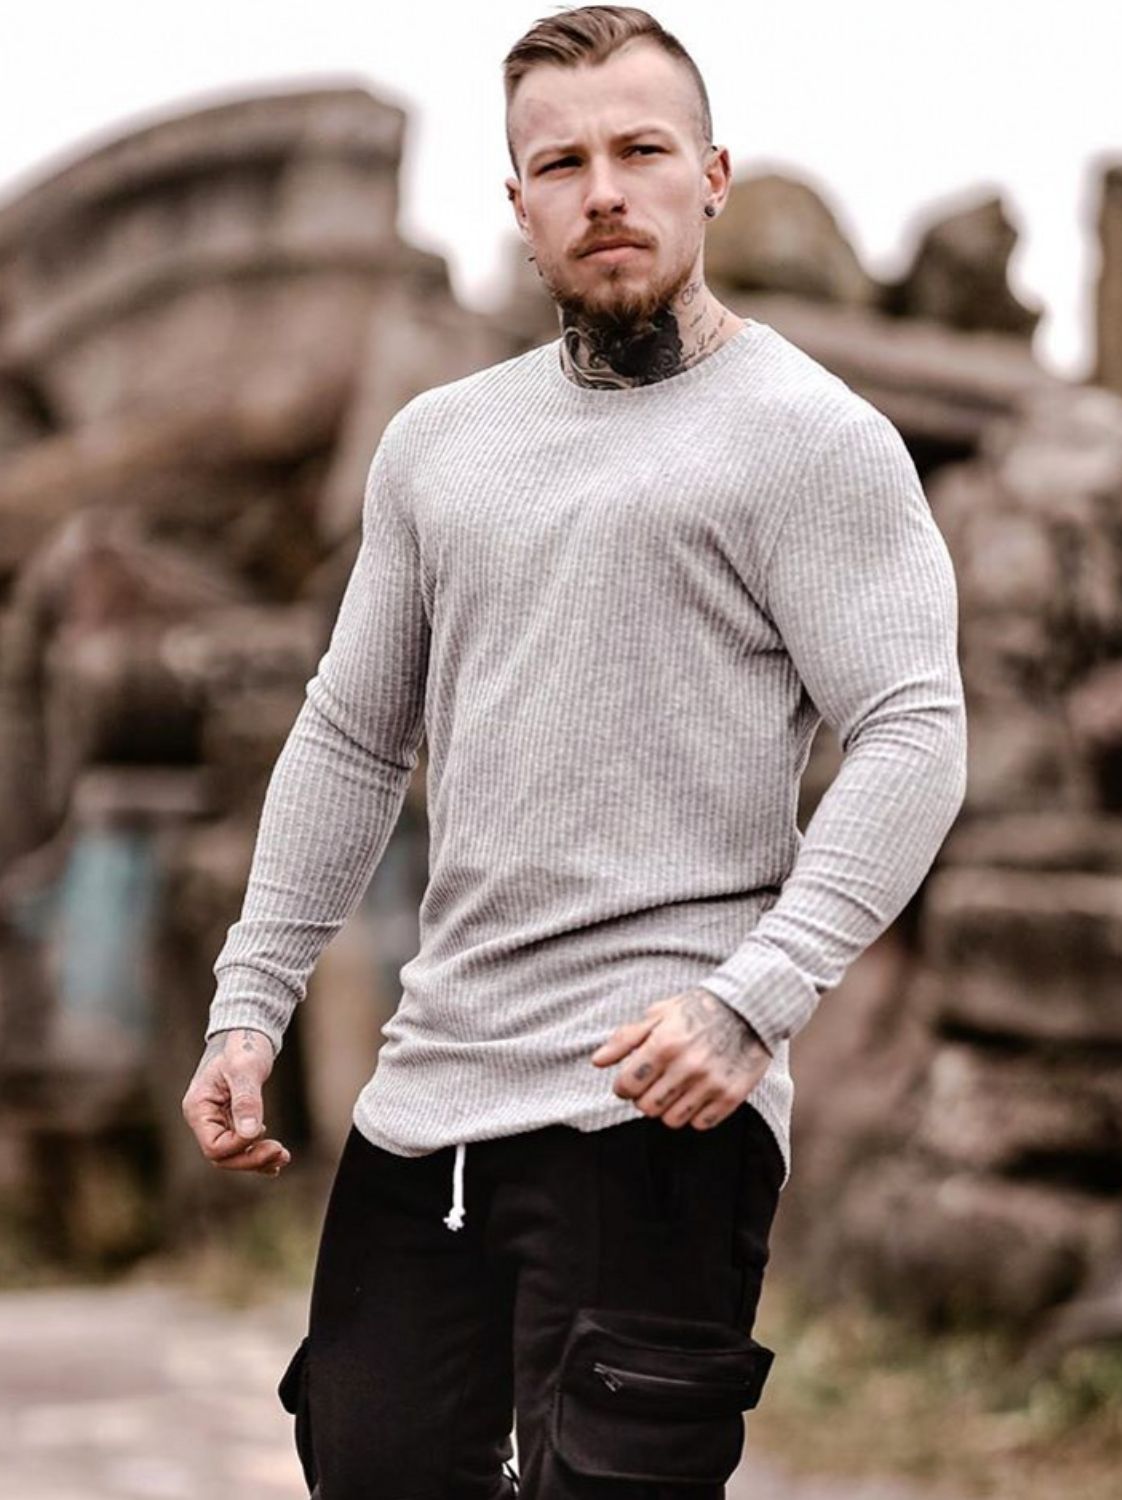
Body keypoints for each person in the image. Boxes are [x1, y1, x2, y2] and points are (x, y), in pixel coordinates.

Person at [180, 5, 968, 1496]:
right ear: (518, 202)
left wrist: (753, 1003)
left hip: (659, 1101)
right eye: (560, 164)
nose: (602, 190)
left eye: (639, 151)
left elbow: (913, 728)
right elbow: (349, 735)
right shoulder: (436, 447)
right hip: (430, 1102)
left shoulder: (812, 439)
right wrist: (249, 1006)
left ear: (711, 177)